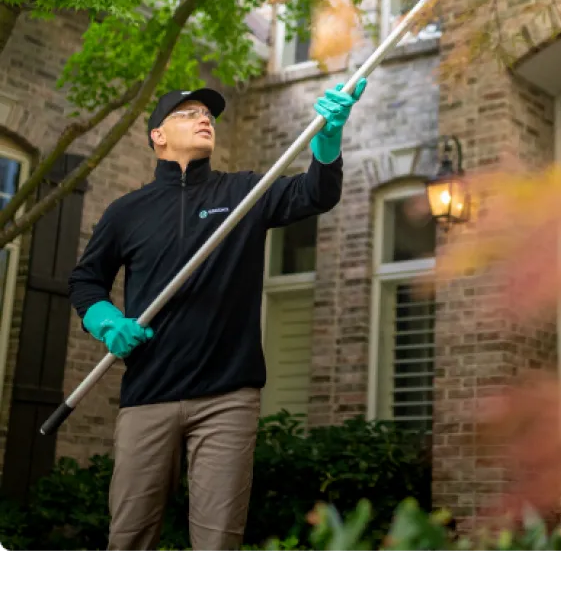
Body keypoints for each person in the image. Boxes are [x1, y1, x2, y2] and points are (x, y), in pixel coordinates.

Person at [67, 79, 366, 551]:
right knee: (128, 536)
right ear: (157, 136)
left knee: (217, 541)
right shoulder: (126, 212)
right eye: (188, 113)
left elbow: (315, 194)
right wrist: (106, 320)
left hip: (227, 398)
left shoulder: (246, 193)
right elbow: (85, 281)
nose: (204, 117)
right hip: (149, 394)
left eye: (208, 113)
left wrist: (327, 139)